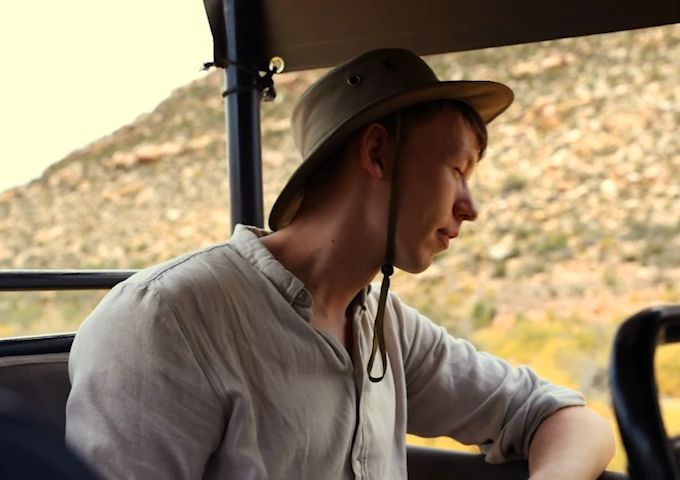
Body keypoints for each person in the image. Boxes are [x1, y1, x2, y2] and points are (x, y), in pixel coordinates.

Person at [65, 48, 616, 479]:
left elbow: (560, 415)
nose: (470, 208)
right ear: (377, 153)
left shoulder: (386, 327)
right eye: (457, 170)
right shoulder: (167, 319)